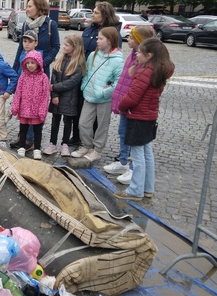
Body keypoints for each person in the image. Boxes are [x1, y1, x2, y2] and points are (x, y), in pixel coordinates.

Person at [114, 39, 174, 201]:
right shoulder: (158, 71)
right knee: (147, 153)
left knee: (138, 155)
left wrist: (121, 105)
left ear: (149, 55)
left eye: (140, 52)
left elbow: (133, 97)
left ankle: (135, 190)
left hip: (138, 117)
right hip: (149, 116)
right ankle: (148, 187)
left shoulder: (145, 72)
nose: (137, 55)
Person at [103, 26, 156, 184]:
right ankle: (123, 161)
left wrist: (126, 102)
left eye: (132, 38)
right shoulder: (133, 56)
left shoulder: (143, 61)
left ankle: (132, 169)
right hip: (127, 103)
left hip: (134, 107)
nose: (128, 40)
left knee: (135, 141)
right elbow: (125, 79)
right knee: (123, 133)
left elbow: (137, 86)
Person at [71, 27, 124, 163]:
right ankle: (87, 145)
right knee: (83, 123)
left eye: (100, 38)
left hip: (104, 99)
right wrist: (84, 86)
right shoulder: (93, 55)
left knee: (101, 125)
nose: (97, 41)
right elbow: (87, 72)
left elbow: (118, 82)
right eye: (97, 38)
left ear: (110, 41)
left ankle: (97, 150)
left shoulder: (118, 61)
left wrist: (104, 92)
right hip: (89, 95)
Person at [42, 34, 86, 157]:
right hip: (57, 97)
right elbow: (54, 77)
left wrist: (55, 88)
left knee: (68, 122)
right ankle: (52, 143)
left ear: (74, 47)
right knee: (55, 121)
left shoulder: (78, 63)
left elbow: (72, 82)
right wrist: (54, 94)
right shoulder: (59, 59)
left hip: (70, 99)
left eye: (67, 45)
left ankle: (65, 144)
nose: (64, 47)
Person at [11, 50, 50, 160]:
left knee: (37, 131)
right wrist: (15, 106)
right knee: (23, 129)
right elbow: (18, 92)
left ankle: (37, 149)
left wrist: (42, 110)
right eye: (28, 63)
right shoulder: (23, 77)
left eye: (32, 63)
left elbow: (45, 96)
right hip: (24, 108)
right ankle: (22, 147)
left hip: (36, 110)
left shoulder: (43, 78)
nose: (30, 65)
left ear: (38, 63)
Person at [12, 0, 60, 77]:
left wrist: (43, 62)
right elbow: (21, 47)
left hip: (42, 70)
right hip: (26, 69)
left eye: (30, 6)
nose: (27, 9)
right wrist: (14, 69)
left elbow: (56, 47)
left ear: (39, 7)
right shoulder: (26, 25)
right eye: (26, 7)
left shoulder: (50, 25)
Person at [9, 30, 39, 150]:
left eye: (29, 42)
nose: (26, 44)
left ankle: (30, 140)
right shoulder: (22, 55)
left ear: (36, 43)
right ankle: (22, 137)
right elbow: (18, 72)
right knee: (22, 116)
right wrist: (15, 87)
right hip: (22, 91)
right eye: (24, 41)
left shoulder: (37, 56)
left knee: (31, 117)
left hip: (33, 93)